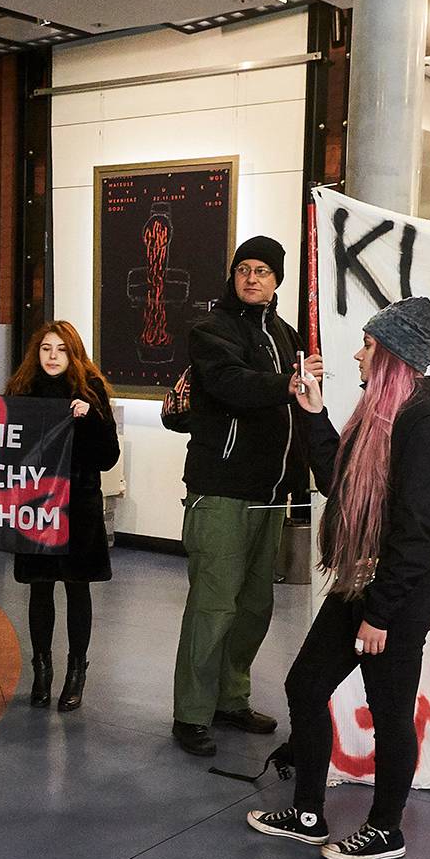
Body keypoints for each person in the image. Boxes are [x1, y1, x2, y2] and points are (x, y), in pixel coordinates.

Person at [246, 297, 430, 859]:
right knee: (306, 686)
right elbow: (338, 483)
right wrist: (313, 413)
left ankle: (386, 828)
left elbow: (418, 536)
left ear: (391, 357)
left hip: (397, 596)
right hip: (359, 579)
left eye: (368, 345)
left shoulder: (428, 427)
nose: (357, 354)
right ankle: (308, 813)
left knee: (389, 714)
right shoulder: (376, 417)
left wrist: (380, 614)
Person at [172, 236, 323, 758]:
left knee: (254, 607)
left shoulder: (287, 336)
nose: (252, 278)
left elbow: (299, 414)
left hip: (271, 495)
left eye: (262, 270)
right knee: (212, 607)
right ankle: (191, 713)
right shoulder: (211, 331)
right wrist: (288, 383)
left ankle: (230, 698)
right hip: (220, 493)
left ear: (277, 279)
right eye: (243, 269)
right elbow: (232, 383)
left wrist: (300, 483)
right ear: (232, 277)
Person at [6, 321, 120, 712]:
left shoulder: (92, 392)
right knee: (40, 588)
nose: (52, 357)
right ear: (36, 354)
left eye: (61, 350)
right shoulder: (21, 392)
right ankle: (41, 671)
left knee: (76, 587)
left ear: (74, 355)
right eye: (46, 349)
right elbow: (7, 450)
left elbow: (108, 457)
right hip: (36, 505)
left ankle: (76, 672)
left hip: (79, 506)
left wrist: (90, 419)